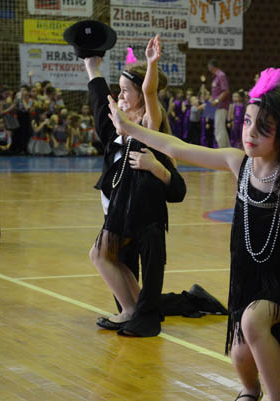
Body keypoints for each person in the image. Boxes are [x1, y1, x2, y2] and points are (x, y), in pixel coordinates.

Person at [108, 64, 280, 401]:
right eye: (247, 122)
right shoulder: (238, 162)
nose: (250, 133)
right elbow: (175, 147)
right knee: (239, 352)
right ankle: (250, 391)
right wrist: (129, 128)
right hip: (247, 277)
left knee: (254, 321)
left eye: (263, 128)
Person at [84, 35, 188, 337]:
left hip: (139, 213)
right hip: (119, 210)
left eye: (126, 90)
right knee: (109, 257)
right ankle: (134, 309)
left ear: (140, 94)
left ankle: (132, 310)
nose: (120, 94)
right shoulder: (121, 125)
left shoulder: (148, 124)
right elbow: (99, 102)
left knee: (99, 255)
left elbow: (150, 91)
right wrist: (92, 68)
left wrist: (152, 64)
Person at [208, 59, 231, 148]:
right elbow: (216, 92)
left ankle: (222, 149)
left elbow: (226, 91)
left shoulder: (221, 75)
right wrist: (211, 99)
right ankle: (227, 148)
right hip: (216, 106)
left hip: (221, 106)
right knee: (220, 128)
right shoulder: (216, 77)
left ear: (211, 66)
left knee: (219, 129)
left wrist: (216, 101)